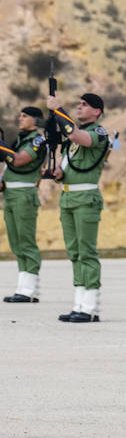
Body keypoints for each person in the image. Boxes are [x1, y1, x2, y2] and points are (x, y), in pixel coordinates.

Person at [49, 91, 112, 323]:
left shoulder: (99, 132)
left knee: (87, 251)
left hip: (86, 198)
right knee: (74, 252)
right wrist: (58, 173)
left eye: (85, 105)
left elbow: (78, 137)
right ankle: (79, 303)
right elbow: (70, 161)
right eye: (79, 103)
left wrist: (58, 110)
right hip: (68, 198)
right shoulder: (71, 141)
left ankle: (91, 306)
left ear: (97, 111)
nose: (80, 106)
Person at [1, 106, 48, 303]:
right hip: (11, 193)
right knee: (16, 241)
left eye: (25, 116)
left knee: (26, 241)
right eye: (19, 115)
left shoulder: (37, 140)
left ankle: (30, 289)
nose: (20, 119)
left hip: (24, 194)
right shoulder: (20, 139)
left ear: (36, 120)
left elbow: (19, 161)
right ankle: (23, 287)